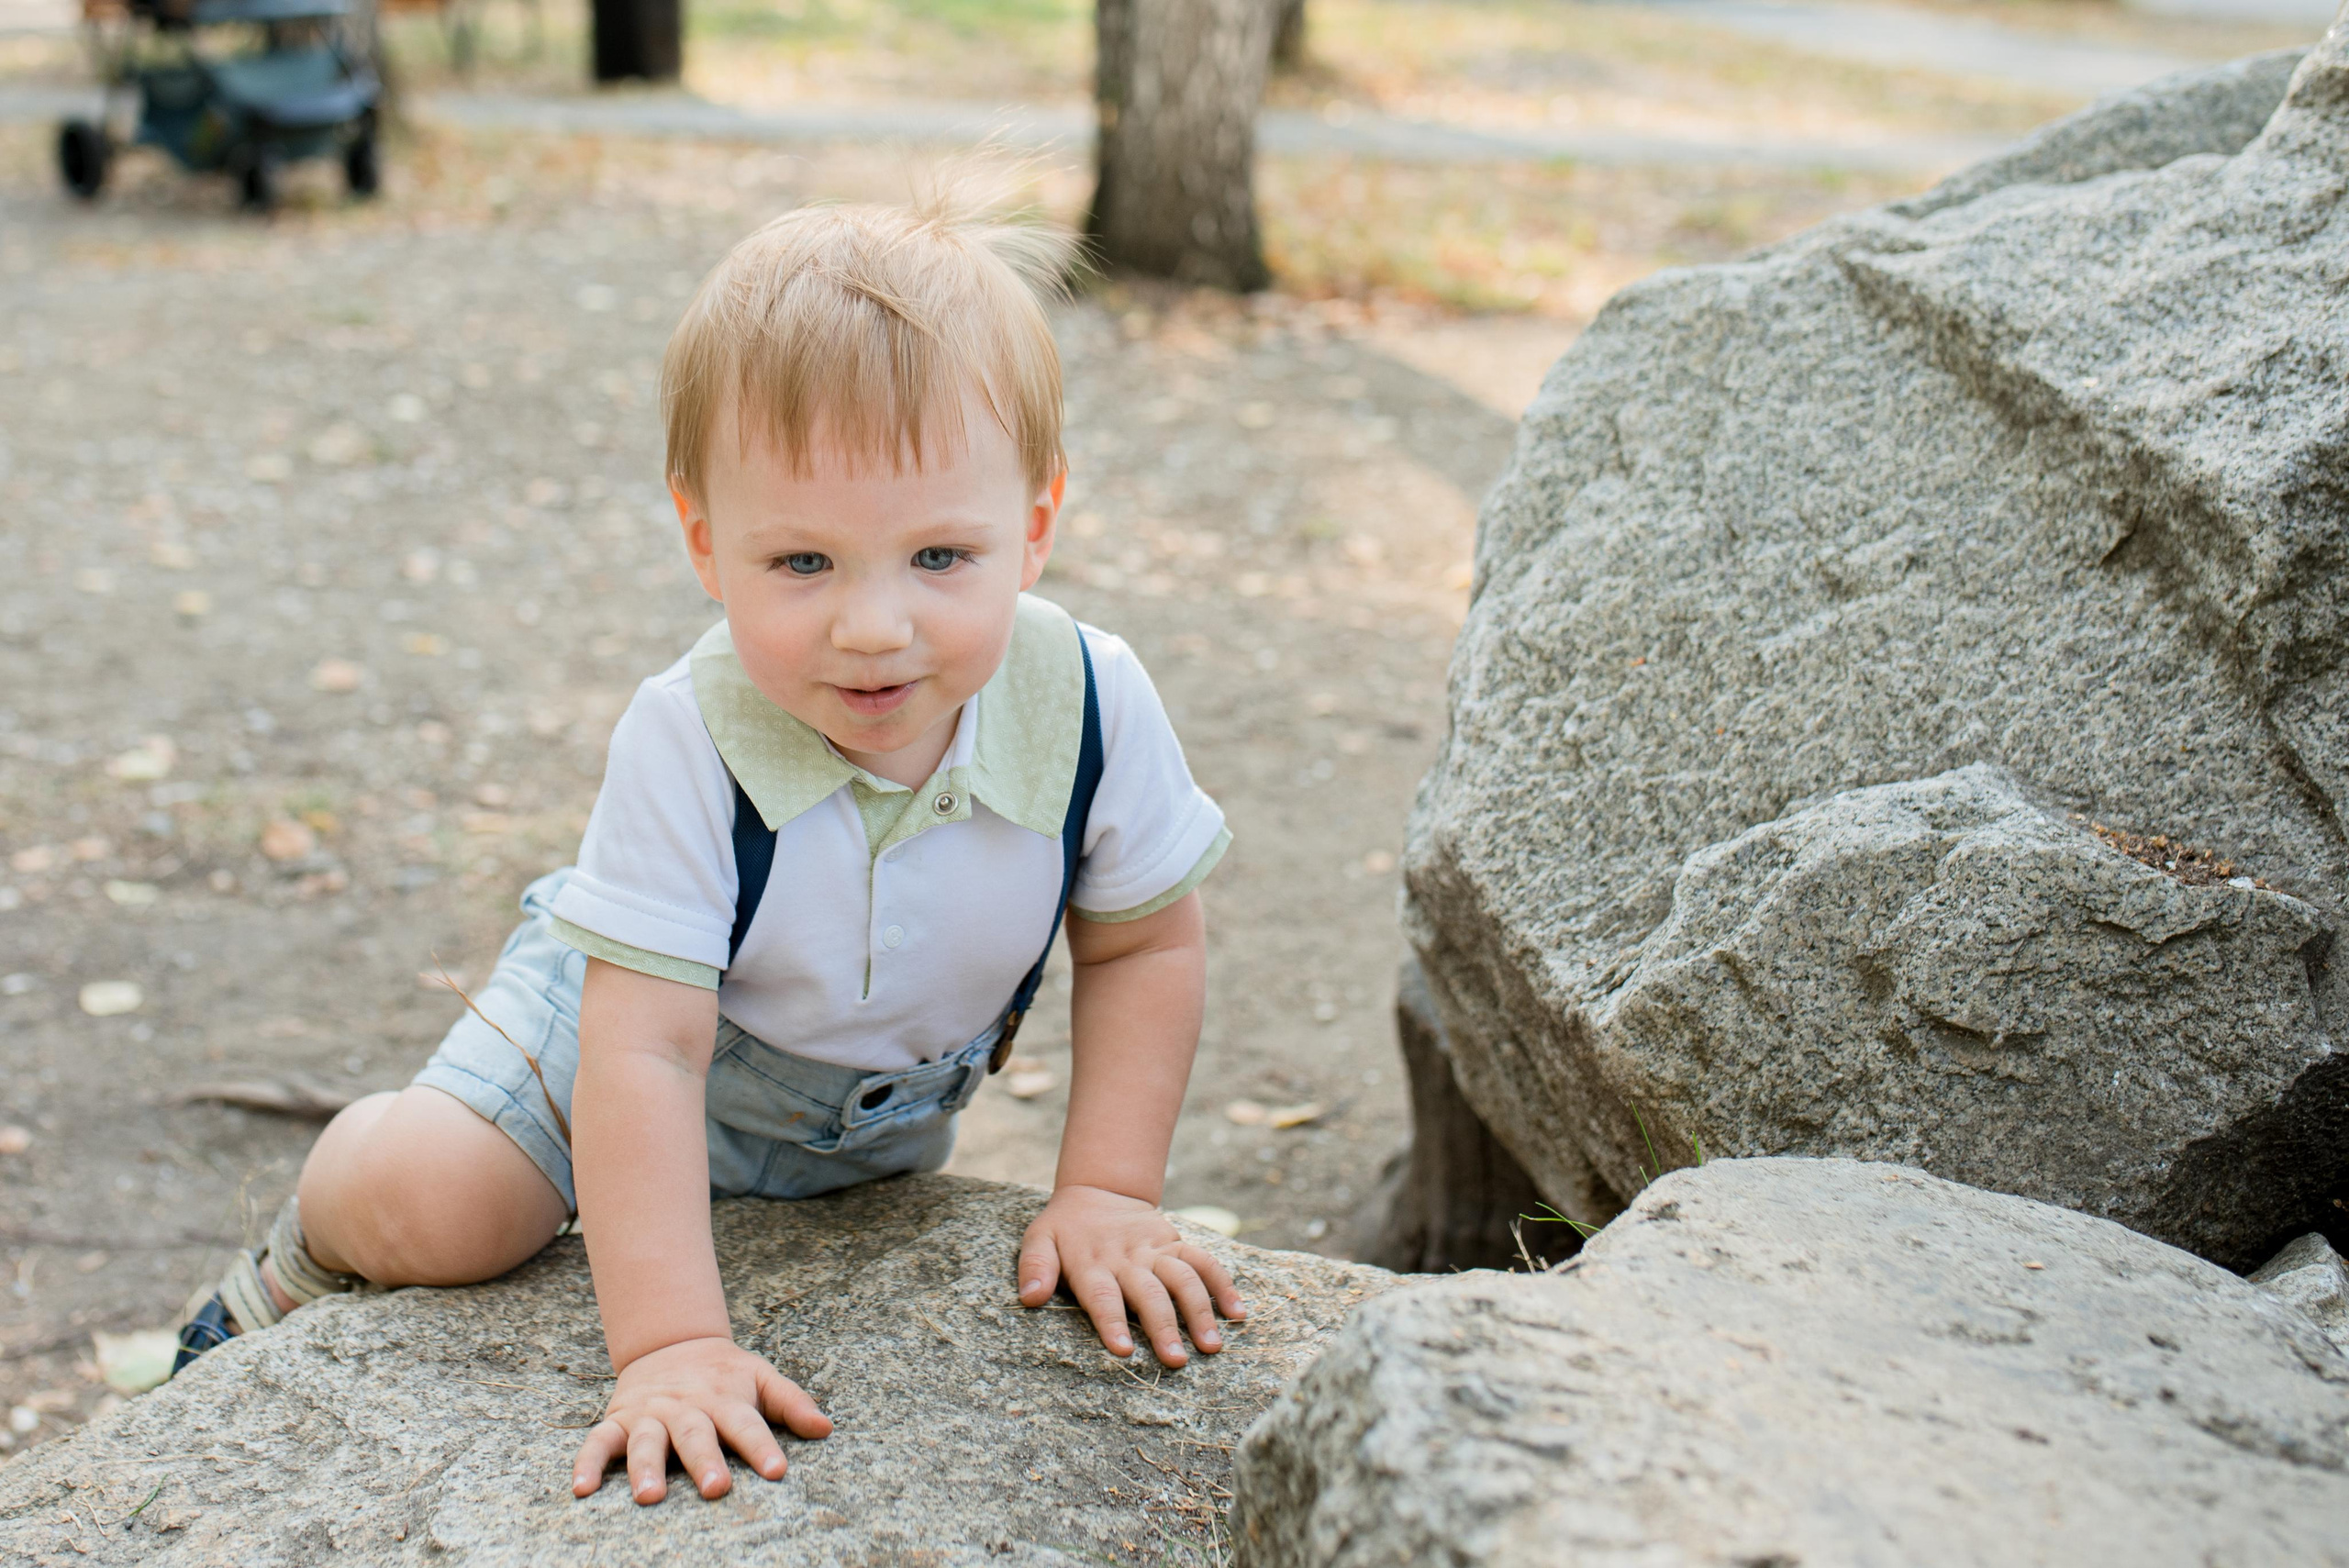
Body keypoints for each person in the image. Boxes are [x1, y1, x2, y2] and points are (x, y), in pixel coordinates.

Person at [172, 195, 1241, 1507]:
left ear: (1036, 522)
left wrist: (1109, 1188)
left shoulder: (1089, 700)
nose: (873, 623)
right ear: (702, 543)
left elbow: (1143, 941)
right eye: (802, 560)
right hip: (619, 1041)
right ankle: (300, 1250)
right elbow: (646, 1047)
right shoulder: (689, 735)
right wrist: (674, 1344)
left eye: (940, 555)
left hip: (860, 1128)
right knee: (445, 1208)